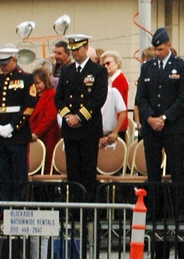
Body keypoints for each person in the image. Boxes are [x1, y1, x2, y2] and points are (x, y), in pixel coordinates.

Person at [135, 27, 184, 221]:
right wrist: (150, 118)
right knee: (153, 171)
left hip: (173, 127)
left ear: (169, 45)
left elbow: (183, 99)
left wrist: (165, 118)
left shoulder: (181, 66)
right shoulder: (147, 67)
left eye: (161, 49)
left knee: (176, 169)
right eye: (155, 50)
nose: (158, 53)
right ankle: (154, 212)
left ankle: (180, 212)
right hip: (152, 128)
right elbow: (141, 98)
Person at [55, 34, 107, 201]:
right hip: (70, 129)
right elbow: (58, 98)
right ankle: (75, 207)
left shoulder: (98, 70)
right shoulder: (66, 71)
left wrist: (79, 117)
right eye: (72, 50)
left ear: (86, 47)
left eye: (77, 49)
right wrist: (68, 116)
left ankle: (88, 207)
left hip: (88, 128)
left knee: (88, 170)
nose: (75, 53)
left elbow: (98, 98)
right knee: (73, 171)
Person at [0, 46, 36, 201]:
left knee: (19, 175)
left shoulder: (26, 79)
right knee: (2, 175)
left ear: (14, 60)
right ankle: (4, 207)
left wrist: (13, 126)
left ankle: (19, 206)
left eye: (5, 63)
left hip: (17, 135)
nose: (2, 66)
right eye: (0, 63)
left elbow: (29, 105)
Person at [29, 68, 60, 172]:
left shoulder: (52, 94)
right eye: (34, 83)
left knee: (47, 165)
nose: (36, 86)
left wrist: (37, 133)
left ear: (45, 81)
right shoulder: (33, 97)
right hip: (32, 136)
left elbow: (49, 118)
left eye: (38, 83)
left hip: (47, 136)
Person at [100, 51, 130, 140]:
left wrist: (115, 130)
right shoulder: (112, 80)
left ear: (116, 63)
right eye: (103, 64)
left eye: (108, 63)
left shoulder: (119, 79)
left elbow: (118, 106)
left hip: (117, 125)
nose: (105, 66)